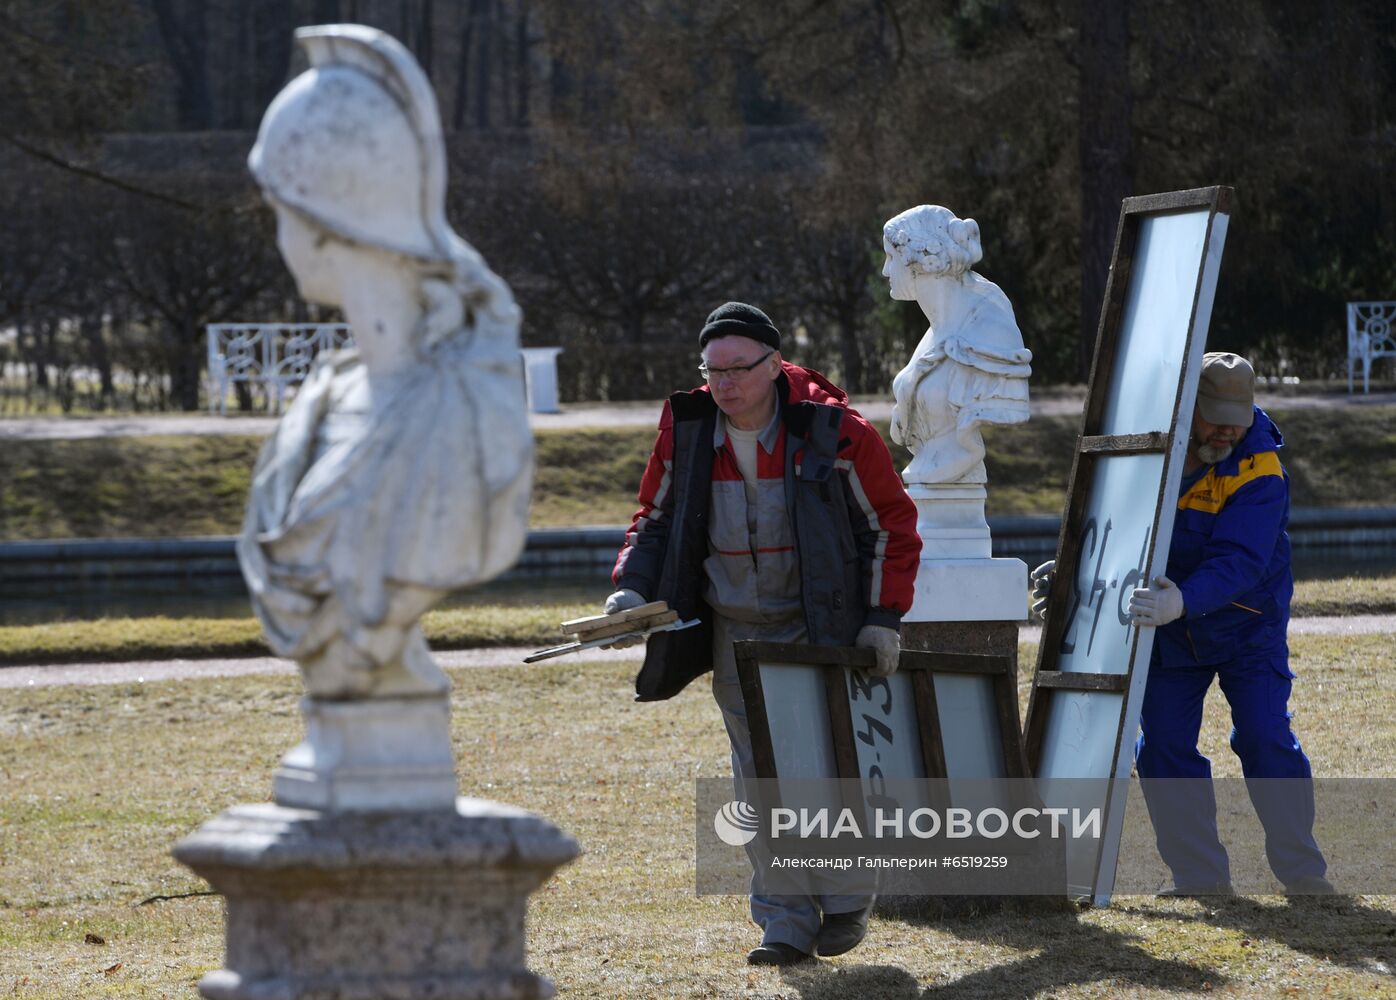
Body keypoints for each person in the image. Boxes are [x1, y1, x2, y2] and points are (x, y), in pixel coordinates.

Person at [606, 302, 921, 965]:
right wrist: (631, 589)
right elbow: (654, 517)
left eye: (738, 369)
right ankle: (783, 922)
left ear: (774, 365)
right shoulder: (688, 431)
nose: (724, 384)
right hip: (735, 634)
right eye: (712, 370)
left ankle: (844, 899)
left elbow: (890, 526)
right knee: (758, 780)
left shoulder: (837, 433)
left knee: (823, 771)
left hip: (817, 624)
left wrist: (881, 619)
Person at [239, 25, 531, 700]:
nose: (278, 235)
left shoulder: (463, 414)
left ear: (322, 221)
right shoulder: (323, 401)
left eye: (278, 211)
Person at [1036, 352, 1329, 896]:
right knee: (1163, 749)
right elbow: (1114, 518)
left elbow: (1239, 562)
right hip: (1170, 630)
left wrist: (1184, 601)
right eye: (1215, 416)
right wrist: (1080, 571)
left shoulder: (1261, 470)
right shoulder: (1150, 451)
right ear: (1188, 407)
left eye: (1236, 420)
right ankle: (1200, 878)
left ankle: (1303, 873)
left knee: (1265, 736)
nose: (1226, 431)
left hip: (1246, 626)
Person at [882, 204, 1032, 486]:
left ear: (919, 259)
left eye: (891, 257)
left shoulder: (988, 330)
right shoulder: (934, 334)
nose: (885, 270)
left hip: (955, 467)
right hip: (927, 474)